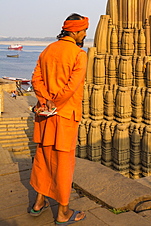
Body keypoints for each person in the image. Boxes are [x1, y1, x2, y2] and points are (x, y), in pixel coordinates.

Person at [29, 13, 89, 225]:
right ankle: (63, 213)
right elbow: (71, 87)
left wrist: (45, 100)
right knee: (63, 163)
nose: (84, 35)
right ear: (74, 31)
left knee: (43, 158)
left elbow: (35, 78)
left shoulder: (48, 51)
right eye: (83, 31)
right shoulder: (79, 54)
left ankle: (38, 202)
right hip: (64, 117)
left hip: (44, 116)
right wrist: (57, 103)